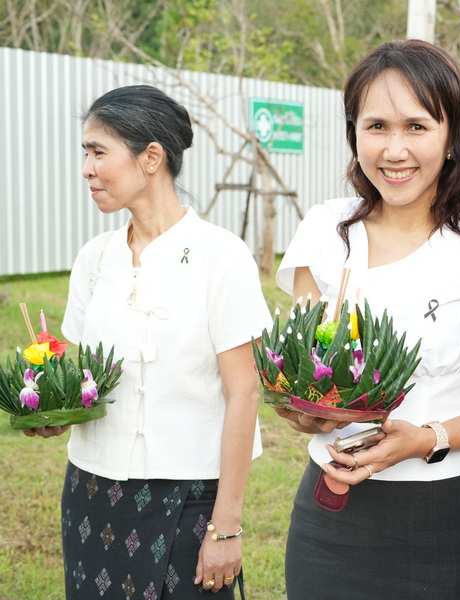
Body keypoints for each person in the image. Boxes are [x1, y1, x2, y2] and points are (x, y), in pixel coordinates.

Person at [274, 40, 460, 599]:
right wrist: (310, 416)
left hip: (453, 515)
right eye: (376, 127)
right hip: (334, 511)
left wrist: (428, 438)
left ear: (452, 135)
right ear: (355, 134)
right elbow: (301, 382)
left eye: (417, 127)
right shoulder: (325, 233)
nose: (395, 150)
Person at [25, 85, 272, 598]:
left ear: (152, 157)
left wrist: (226, 527)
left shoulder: (220, 257)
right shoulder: (96, 259)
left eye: (98, 152)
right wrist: (51, 409)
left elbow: (244, 393)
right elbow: (76, 374)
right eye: (85, 154)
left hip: (190, 496)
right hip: (92, 489)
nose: (87, 169)